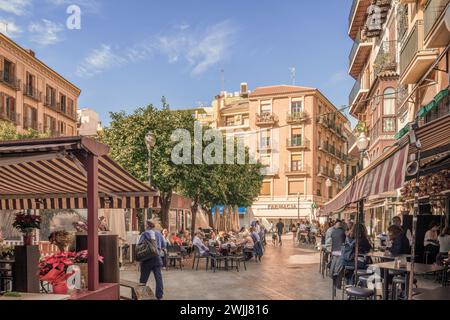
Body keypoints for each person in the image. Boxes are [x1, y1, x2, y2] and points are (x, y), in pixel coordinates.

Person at [138, 220, 164, 300]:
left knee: (143, 279)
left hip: (147, 259)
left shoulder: (144, 234)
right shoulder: (159, 234)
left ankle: (141, 295)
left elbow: (140, 245)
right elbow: (163, 244)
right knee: (158, 278)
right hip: (157, 258)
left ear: (147, 226)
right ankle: (159, 295)